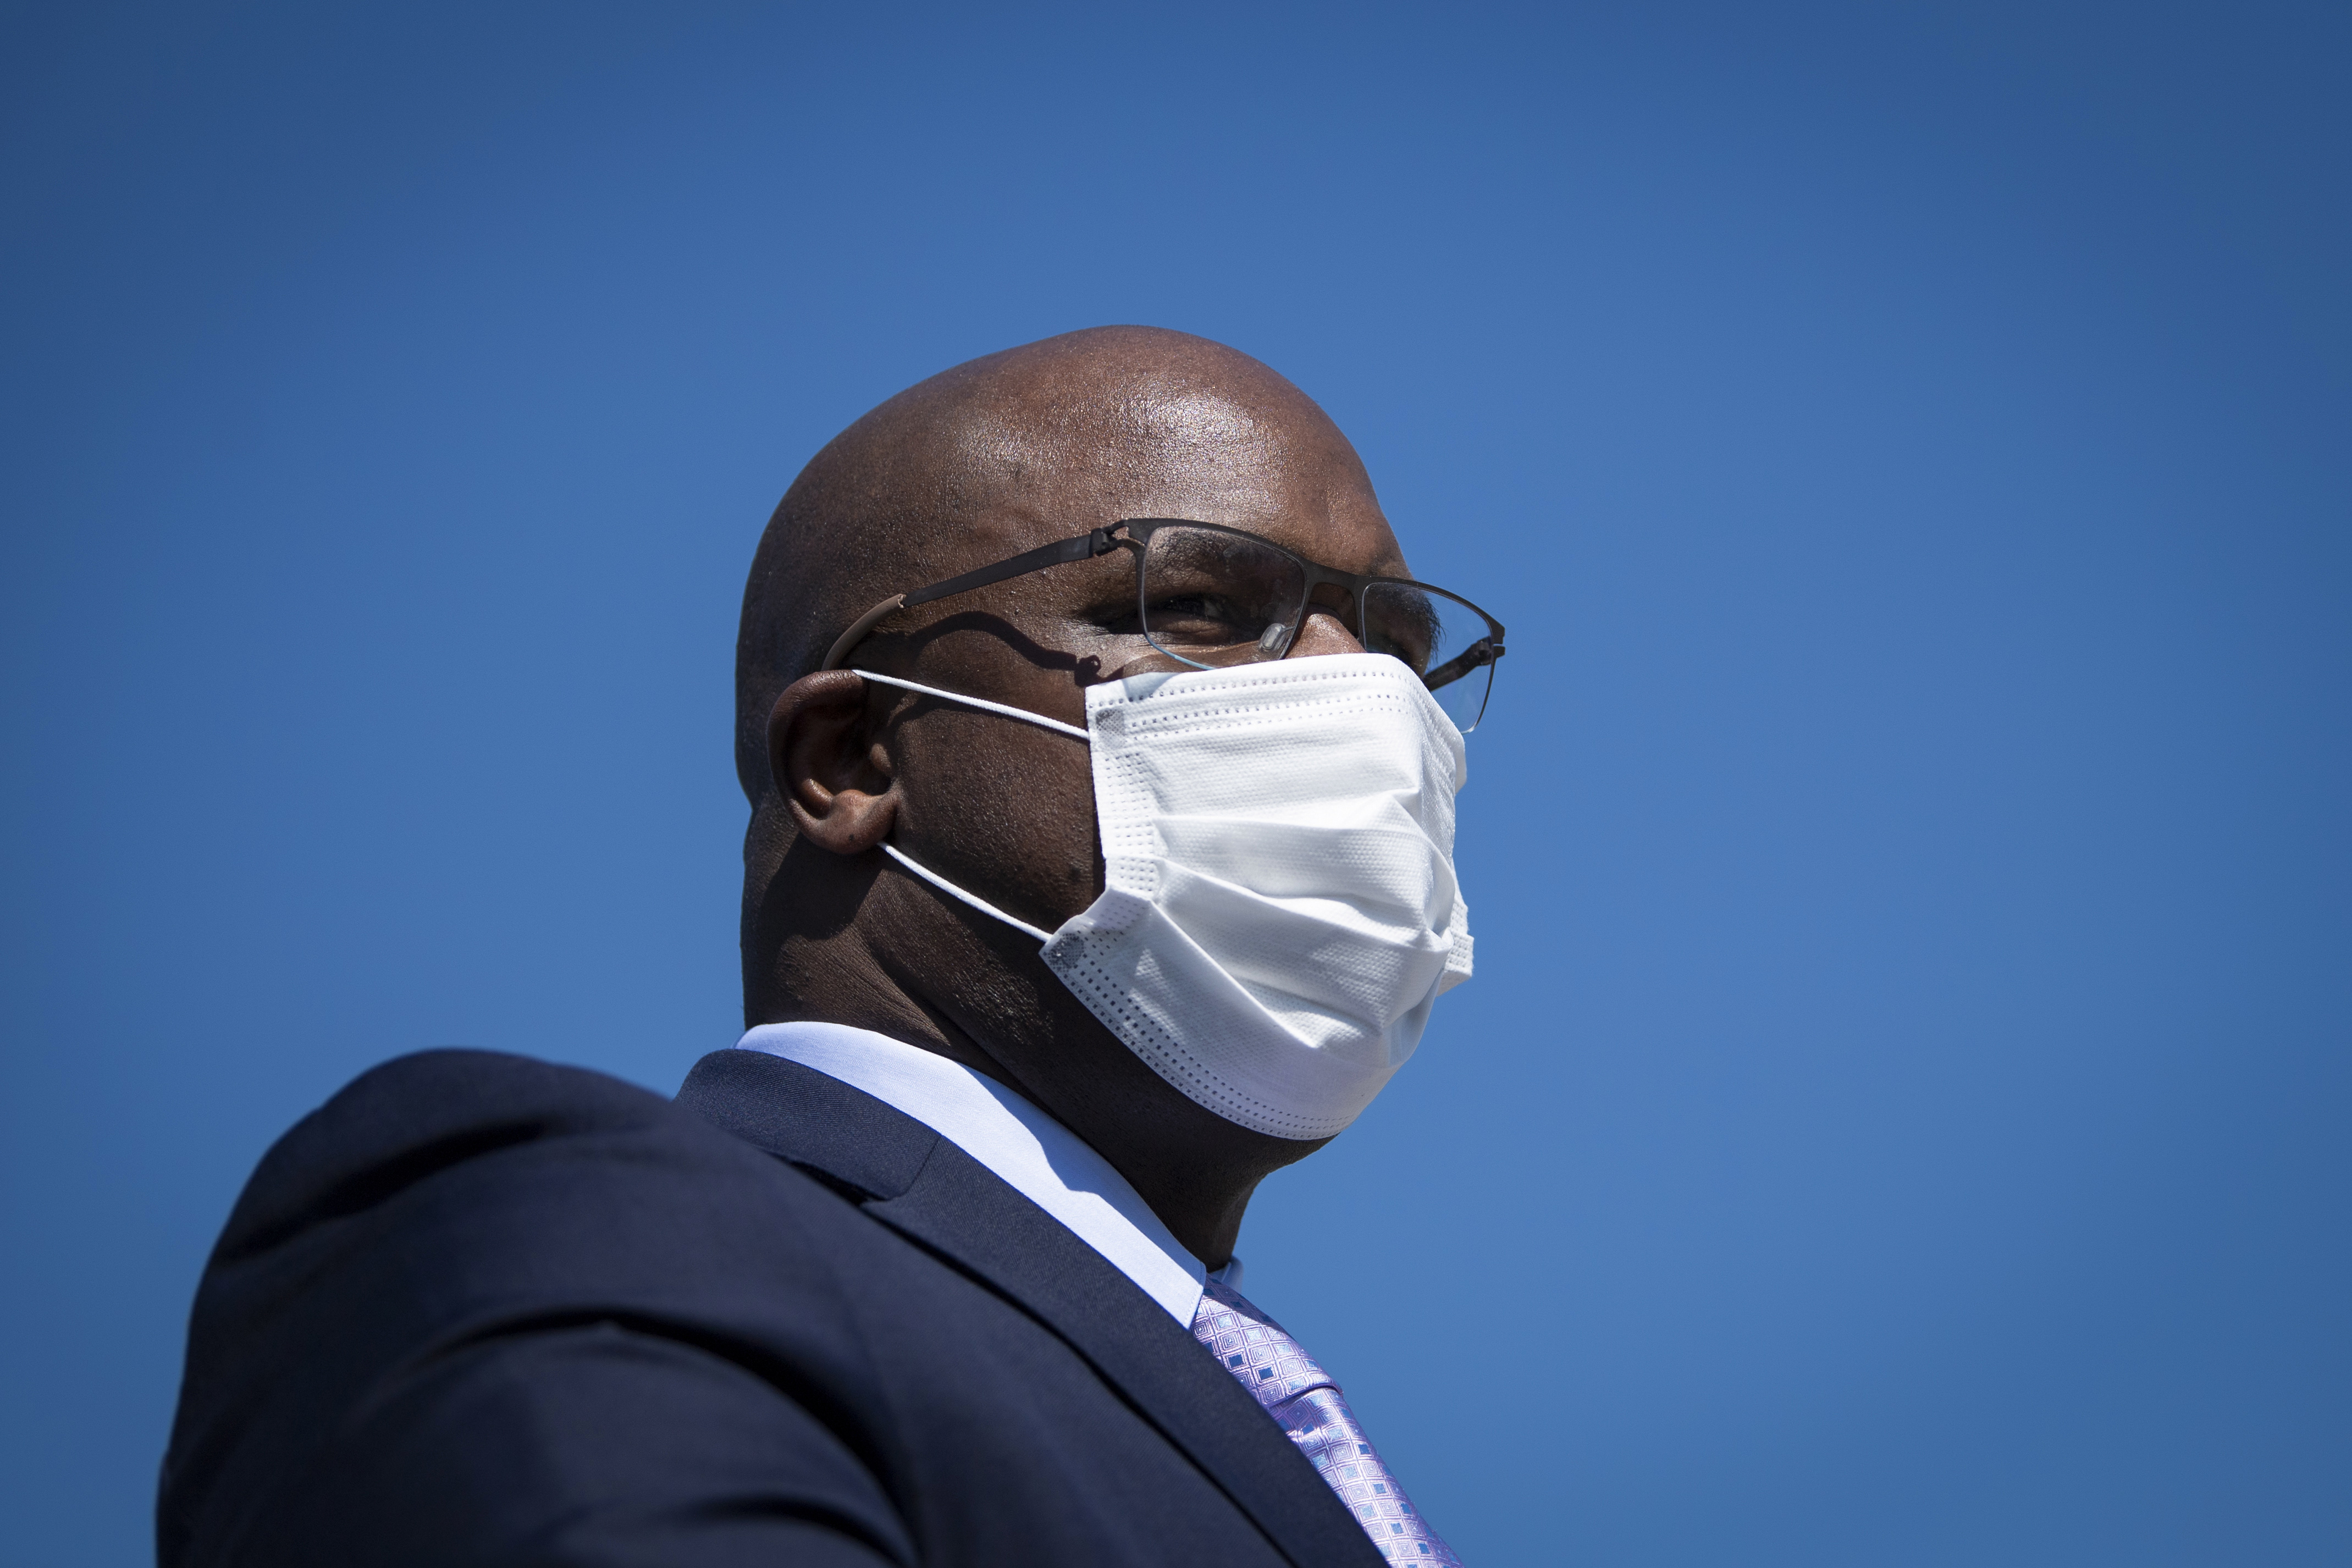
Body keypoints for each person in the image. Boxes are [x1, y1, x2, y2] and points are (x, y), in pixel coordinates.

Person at [158, 326, 1506, 1566]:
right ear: (852, 755)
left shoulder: (1261, 1420)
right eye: (1204, 607)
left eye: (1403, 646)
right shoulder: (570, 1242)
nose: (1362, 697)